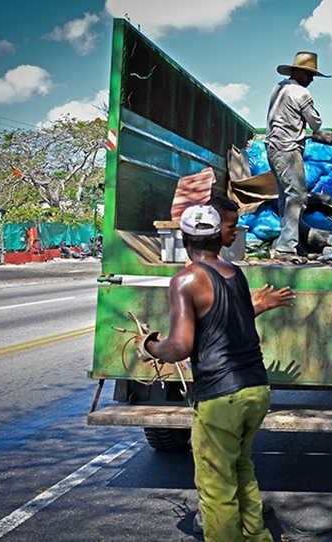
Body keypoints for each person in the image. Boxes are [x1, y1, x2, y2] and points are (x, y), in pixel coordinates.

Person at [137, 204, 290, 542]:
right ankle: (257, 537)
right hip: (255, 388)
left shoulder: (186, 279)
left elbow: (179, 347)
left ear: (183, 237)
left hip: (222, 397)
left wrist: (149, 345)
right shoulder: (235, 272)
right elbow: (234, 320)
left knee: (215, 485)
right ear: (219, 238)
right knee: (240, 467)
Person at [266, 51, 329, 263]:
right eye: (309, 74)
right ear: (299, 72)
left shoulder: (279, 88)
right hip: (288, 150)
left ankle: (287, 243)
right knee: (297, 197)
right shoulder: (301, 93)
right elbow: (316, 123)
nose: (311, 79)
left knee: (286, 196)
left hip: (273, 149)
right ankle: (286, 248)